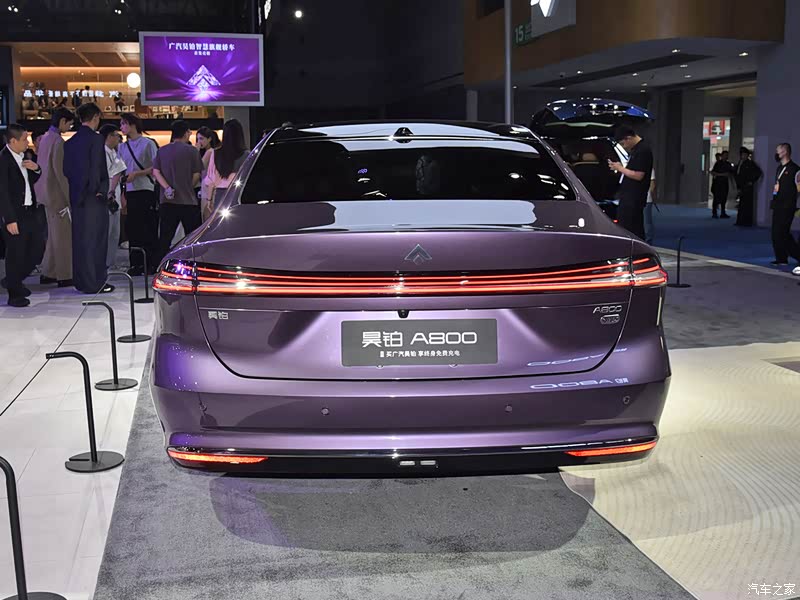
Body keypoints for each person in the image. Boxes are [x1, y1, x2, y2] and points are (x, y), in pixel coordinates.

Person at [63, 103, 114, 294]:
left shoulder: (70, 142)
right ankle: (95, 283)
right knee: (96, 241)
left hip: (76, 197)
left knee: (80, 241)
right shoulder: (96, 139)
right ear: (95, 117)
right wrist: (99, 190)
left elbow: (66, 171)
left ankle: (82, 281)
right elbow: (96, 168)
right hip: (93, 198)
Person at [0, 124, 43, 307]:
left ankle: (13, 280)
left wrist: (36, 168)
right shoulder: (3, 159)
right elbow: (2, 192)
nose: (28, 142)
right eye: (25, 139)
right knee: (16, 254)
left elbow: (30, 180)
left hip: (29, 212)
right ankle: (14, 293)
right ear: (13, 141)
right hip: (14, 215)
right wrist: (9, 219)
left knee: (36, 249)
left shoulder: (24, 157)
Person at [153, 120, 203, 265]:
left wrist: (167, 187)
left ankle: (161, 266)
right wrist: (188, 186)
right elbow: (197, 174)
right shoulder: (192, 151)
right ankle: (192, 266)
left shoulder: (162, 150)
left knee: (165, 237)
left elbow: (156, 172)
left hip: (167, 201)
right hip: (188, 200)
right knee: (191, 237)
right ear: (186, 133)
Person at [35, 107, 75, 287]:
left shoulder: (45, 138)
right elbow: (61, 173)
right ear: (62, 121)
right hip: (57, 196)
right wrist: (68, 197)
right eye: (69, 124)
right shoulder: (58, 141)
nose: (69, 127)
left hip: (45, 194)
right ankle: (64, 275)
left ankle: (49, 272)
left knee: (53, 236)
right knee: (62, 237)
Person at [117, 113, 158, 275]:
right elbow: (119, 170)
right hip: (130, 190)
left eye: (124, 124)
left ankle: (150, 263)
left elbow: (156, 167)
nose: (122, 127)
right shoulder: (122, 147)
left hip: (146, 189)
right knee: (132, 228)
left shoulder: (148, 143)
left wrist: (138, 174)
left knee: (147, 226)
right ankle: (135, 264)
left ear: (132, 125)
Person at [608, 125, 653, 239]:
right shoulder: (637, 150)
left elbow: (638, 175)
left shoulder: (643, 151)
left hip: (634, 199)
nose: (625, 147)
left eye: (623, 144)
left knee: (632, 229)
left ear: (628, 138)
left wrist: (620, 168)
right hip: (629, 198)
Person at [201, 119, 247, 220]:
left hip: (220, 195)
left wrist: (209, 200)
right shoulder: (247, 155)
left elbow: (211, 180)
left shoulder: (216, 153)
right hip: (239, 194)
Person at [100, 125, 127, 270]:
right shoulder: (101, 153)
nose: (118, 138)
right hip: (108, 196)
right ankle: (105, 263)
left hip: (114, 196)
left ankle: (110, 262)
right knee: (108, 231)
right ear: (109, 136)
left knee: (114, 233)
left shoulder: (113, 152)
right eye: (116, 135)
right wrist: (110, 192)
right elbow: (114, 174)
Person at [770, 143, 800, 268]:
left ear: (785, 152)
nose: (776, 154)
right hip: (778, 205)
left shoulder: (795, 169)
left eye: (778, 151)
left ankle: (797, 255)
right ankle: (781, 258)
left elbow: (798, 188)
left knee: (782, 233)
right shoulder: (779, 168)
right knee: (775, 233)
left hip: (787, 206)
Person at [734, 147, 762, 227]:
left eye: (745, 154)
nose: (743, 156)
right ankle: (740, 221)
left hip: (747, 187)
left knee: (747, 204)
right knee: (741, 204)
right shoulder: (740, 163)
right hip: (741, 186)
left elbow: (758, 172)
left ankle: (747, 222)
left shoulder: (750, 163)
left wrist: (751, 181)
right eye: (742, 154)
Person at [711, 150, 733, 218]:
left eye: (727, 155)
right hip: (717, 183)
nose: (726, 156)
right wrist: (722, 174)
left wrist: (719, 174)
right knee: (716, 198)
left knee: (724, 198)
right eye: (725, 155)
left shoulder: (728, 164)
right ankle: (714, 213)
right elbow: (713, 172)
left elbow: (729, 174)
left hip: (724, 183)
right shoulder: (718, 163)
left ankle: (723, 213)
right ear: (722, 156)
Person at [644, 167, 656, 245]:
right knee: (646, 221)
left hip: (646, 199)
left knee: (646, 222)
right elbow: (653, 185)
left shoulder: (650, 168)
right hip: (645, 199)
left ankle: (648, 240)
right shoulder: (650, 168)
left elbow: (652, 185)